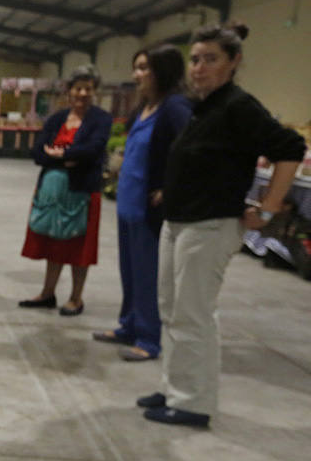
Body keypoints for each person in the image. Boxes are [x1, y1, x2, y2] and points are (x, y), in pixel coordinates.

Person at [137, 23, 305, 427]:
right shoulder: (204, 106)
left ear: (234, 62)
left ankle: (193, 402)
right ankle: (175, 387)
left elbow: (290, 149)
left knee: (192, 314)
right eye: (195, 60)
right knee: (172, 310)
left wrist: (266, 209)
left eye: (210, 59)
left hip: (209, 226)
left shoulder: (237, 106)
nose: (199, 68)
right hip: (180, 221)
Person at [93, 45, 192, 361]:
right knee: (130, 271)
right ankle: (129, 325)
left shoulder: (174, 108)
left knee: (149, 275)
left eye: (144, 68)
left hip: (150, 209)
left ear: (162, 71)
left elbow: (191, 149)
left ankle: (150, 339)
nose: (137, 75)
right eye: (136, 67)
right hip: (128, 204)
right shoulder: (142, 109)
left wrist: (170, 187)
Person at [19, 65, 113, 316]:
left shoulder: (101, 119)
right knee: (52, 242)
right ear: (69, 91)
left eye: (88, 89)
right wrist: (66, 158)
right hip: (51, 191)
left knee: (78, 246)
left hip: (82, 191)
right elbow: (38, 152)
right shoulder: (57, 119)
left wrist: (62, 153)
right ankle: (47, 293)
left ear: (94, 92)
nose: (82, 93)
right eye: (78, 88)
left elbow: (94, 150)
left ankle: (75, 298)